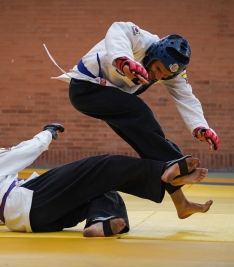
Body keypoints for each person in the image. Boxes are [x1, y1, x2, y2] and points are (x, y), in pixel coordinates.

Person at [47, 21, 218, 216]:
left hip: (109, 95)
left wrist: (201, 127)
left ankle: (182, 204)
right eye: (158, 69)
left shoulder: (172, 73)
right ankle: (177, 167)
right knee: (139, 112)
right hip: (86, 88)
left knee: (148, 142)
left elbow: (185, 97)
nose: (158, 76)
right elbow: (118, 29)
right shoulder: (142, 40)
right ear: (154, 54)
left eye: (165, 75)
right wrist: (123, 60)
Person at [0, 119, 210, 237]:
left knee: (103, 188)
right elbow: (25, 152)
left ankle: (99, 223)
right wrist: (47, 134)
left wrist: (1, 217)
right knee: (100, 166)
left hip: (27, 221)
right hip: (28, 198)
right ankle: (163, 173)